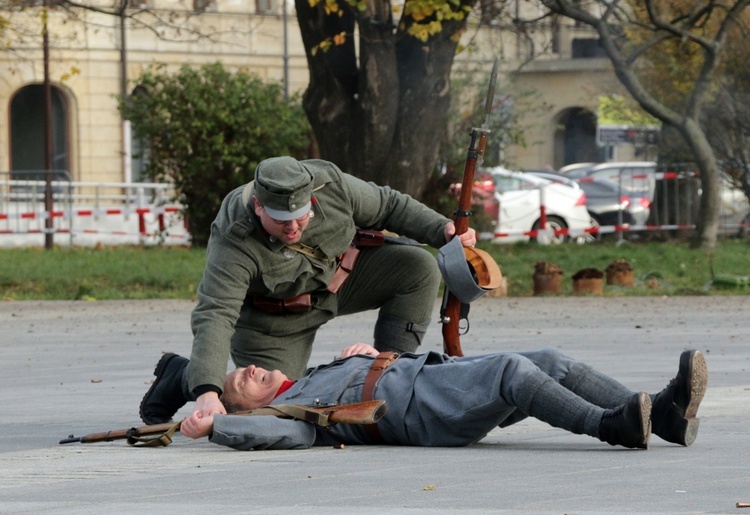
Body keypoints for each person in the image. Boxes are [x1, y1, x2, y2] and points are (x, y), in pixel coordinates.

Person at [140, 156, 477, 425]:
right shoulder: (234, 235)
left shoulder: (332, 184)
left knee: (418, 267)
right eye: (280, 219)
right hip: (272, 321)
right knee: (272, 406)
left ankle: (389, 377)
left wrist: (442, 230)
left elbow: (389, 205)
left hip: (339, 283)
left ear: (312, 198)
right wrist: (207, 391)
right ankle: (182, 376)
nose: (292, 227)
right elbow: (216, 313)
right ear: (258, 205)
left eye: (300, 217)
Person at [175, 345, 708, 451]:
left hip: (435, 378)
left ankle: (664, 420)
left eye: (243, 367)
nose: (246, 370)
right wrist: (215, 427)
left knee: (550, 360)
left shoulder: (318, 370)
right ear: (246, 406)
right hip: (424, 413)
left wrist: (369, 356)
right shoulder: (285, 413)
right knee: (512, 371)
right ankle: (613, 427)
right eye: (237, 383)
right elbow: (287, 435)